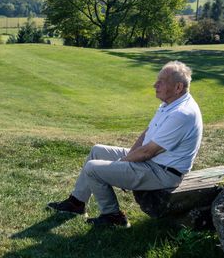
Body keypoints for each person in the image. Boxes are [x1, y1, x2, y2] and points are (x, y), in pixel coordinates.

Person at [47, 61, 203, 227]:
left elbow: (147, 152)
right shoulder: (169, 104)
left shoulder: (183, 113)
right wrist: (126, 160)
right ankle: (76, 203)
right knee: (97, 151)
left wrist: (121, 164)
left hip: (164, 173)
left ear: (178, 87)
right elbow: (146, 134)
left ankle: (113, 217)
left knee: (93, 168)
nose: (154, 85)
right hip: (154, 163)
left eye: (161, 82)